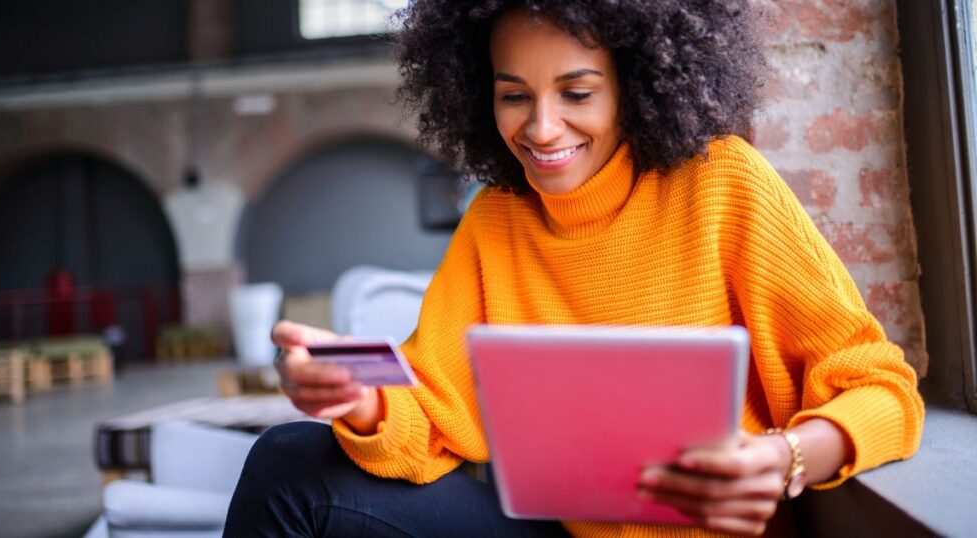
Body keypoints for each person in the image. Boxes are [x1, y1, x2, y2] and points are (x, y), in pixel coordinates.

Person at [225, 1, 925, 536]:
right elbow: (430, 405)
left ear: (638, 81)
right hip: (555, 532)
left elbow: (884, 389)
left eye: (577, 92)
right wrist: (356, 394)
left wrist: (785, 458)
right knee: (287, 463)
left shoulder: (722, 186)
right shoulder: (497, 218)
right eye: (514, 94)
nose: (542, 128)